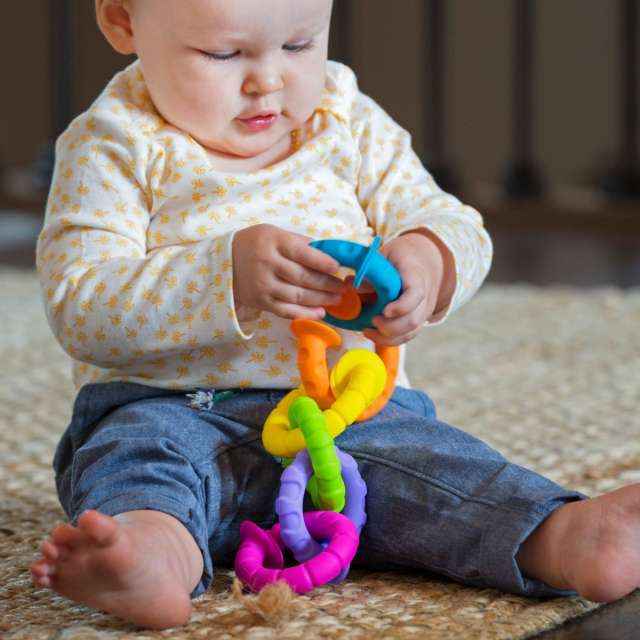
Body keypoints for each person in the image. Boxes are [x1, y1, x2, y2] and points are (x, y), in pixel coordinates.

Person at [31, 0, 640, 630]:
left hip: (344, 412)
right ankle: (150, 558)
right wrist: (227, 276)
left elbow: (456, 225)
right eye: (223, 54)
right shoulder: (112, 141)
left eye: (299, 44)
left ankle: (563, 536)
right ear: (124, 22)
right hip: (168, 408)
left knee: (439, 469)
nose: (267, 80)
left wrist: (426, 265)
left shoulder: (344, 118)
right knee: (137, 468)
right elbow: (81, 304)